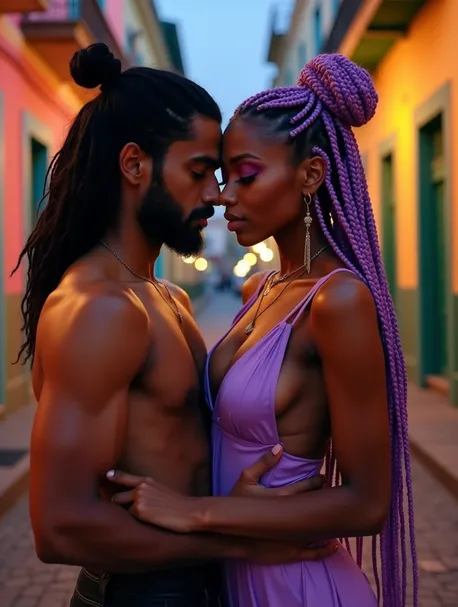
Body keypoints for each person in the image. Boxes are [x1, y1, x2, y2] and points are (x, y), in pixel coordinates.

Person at [13, 43, 334, 607]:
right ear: (135, 165)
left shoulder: (167, 296)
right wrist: (237, 543)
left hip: (194, 584)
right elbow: (60, 526)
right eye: (199, 170)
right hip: (142, 592)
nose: (215, 193)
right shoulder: (99, 310)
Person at [107, 54, 419, 607]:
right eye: (225, 178)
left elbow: (369, 504)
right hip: (241, 576)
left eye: (247, 176)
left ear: (310, 175)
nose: (225, 196)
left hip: (297, 585)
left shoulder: (337, 301)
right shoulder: (263, 290)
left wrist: (198, 512)